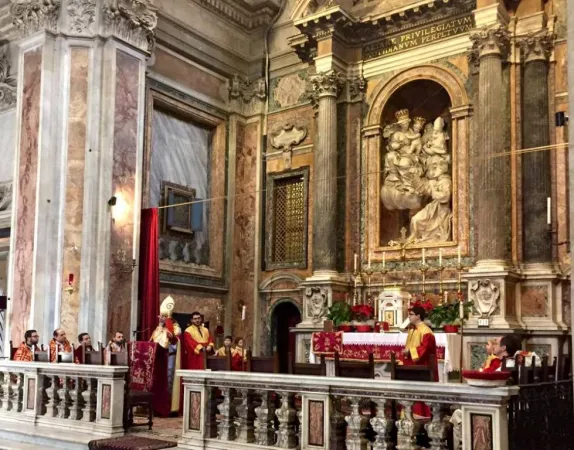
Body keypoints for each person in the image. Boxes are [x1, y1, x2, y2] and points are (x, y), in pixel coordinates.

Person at [401, 305, 438, 419]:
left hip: (423, 365)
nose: (409, 317)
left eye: (411, 315)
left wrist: (410, 352)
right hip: (412, 364)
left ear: (418, 316)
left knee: (420, 389)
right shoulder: (411, 329)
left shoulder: (426, 331)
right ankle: (408, 411)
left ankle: (421, 414)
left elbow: (425, 349)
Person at [149, 295, 182, 414]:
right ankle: (156, 405)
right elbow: (152, 342)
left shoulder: (175, 328)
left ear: (168, 318)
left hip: (169, 358)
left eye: (163, 316)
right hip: (158, 359)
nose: (160, 318)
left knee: (168, 380)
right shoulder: (157, 329)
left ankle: (167, 406)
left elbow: (175, 340)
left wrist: (169, 331)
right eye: (160, 316)